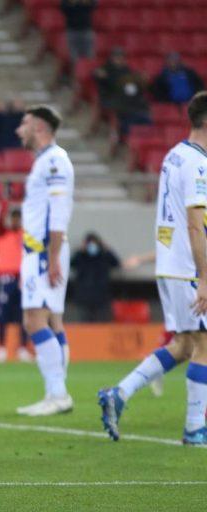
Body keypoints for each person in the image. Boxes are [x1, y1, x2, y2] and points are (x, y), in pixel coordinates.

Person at [98, 92, 207, 445]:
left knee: (184, 345)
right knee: (204, 345)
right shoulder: (198, 164)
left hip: (170, 264)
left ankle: (120, 393)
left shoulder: (174, 155)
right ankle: (195, 428)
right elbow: (195, 224)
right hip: (188, 268)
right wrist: (205, 277)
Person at [14, 105, 75, 417]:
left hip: (43, 252)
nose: (18, 130)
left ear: (38, 128)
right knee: (52, 320)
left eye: (24, 124)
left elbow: (58, 213)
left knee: (34, 320)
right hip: (42, 251)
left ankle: (58, 394)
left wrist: (51, 258)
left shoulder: (54, 162)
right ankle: (56, 392)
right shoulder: (46, 161)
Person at [0, 197, 31, 363]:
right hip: (6, 278)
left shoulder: (25, 235)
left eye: (18, 219)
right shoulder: (3, 233)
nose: (15, 221)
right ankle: (1, 348)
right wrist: (5, 202)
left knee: (24, 315)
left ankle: (22, 348)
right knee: (3, 315)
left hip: (22, 279)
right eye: (13, 218)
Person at [93, 48, 151, 140]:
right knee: (123, 111)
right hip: (111, 98)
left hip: (127, 98)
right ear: (112, 58)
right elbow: (97, 77)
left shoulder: (126, 70)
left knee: (142, 109)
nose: (119, 59)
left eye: (121, 57)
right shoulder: (106, 69)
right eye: (117, 57)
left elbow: (132, 84)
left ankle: (142, 135)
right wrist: (98, 75)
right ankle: (119, 134)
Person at [70, 232, 120, 322]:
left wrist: (108, 250)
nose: (92, 246)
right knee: (84, 321)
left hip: (101, 296)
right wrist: (79, 251)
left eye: (94, 243)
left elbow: (116, 263)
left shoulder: (104, 255)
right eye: (89, 244)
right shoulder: (81, 256)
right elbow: (72, 264)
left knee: (101, 321)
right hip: (83, 295)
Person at [60, 0, 96, 65]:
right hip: (72, 30)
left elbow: (93, 5)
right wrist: (70, 3)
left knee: (89, 56)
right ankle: (76, 70)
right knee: (74, 58)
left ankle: (89, 70)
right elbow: (63, 8)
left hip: (86, 29)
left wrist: (87, 2)